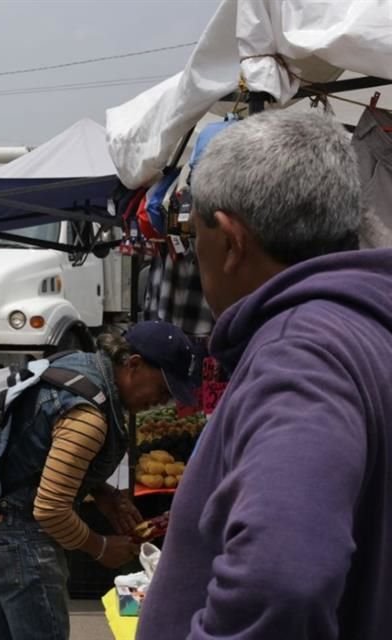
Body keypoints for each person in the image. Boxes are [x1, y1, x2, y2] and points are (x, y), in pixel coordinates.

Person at [137, 110, 392, 639]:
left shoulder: (301, 351)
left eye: (192, 233)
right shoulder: (361, 328)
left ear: (230, 241)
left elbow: (284, 575)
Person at [0, 321, 197, 640]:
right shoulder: (89, 416)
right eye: (163, 390)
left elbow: (40, 456)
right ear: (133, 365)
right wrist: (100, 547)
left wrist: (103, 493)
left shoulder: (80, 365)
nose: (163, 403)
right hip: (21, 543)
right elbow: (50, 510)